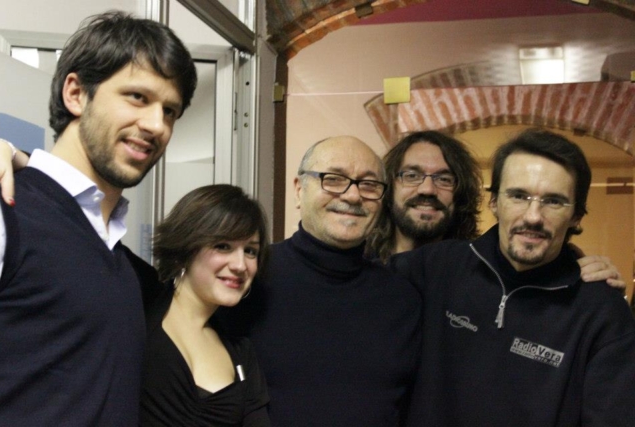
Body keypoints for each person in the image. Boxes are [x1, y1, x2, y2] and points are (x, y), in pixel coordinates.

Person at [0, 11, 197, 425]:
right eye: (137, 97)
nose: (156, 125)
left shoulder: (124, 265)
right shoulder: (7, 212)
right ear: (76, 94)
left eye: (170, 111)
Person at [392, 129, 635, 426]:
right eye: (519, 196)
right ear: (494, 201)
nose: (533, 216)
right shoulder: (436, 268)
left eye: (553, 201)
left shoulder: (602, 313)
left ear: (576, 216)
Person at [223, 136, 422, 426]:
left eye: (368, 184)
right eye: (333, 179)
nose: (352, 196)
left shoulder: (402, 300)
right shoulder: (249, 277)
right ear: (299, 189)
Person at [366, 130, 625, 287]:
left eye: (444, 179)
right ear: (389, 185)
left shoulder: (479, 271)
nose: (427, 189)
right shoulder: (359, 265)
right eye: (411, 175)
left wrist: (578, 272)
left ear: (462, 192)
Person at [140, 184, 271, 426]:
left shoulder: (241, 353)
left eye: (250, 251)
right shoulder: (137, 317)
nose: (240, 265)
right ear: (185, 249)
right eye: (223, 246)